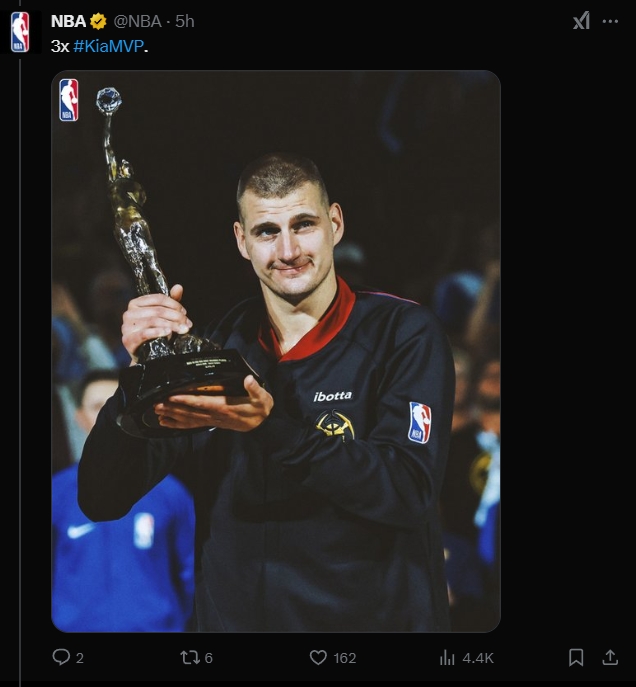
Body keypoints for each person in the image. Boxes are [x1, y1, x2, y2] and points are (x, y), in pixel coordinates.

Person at [78, 151, 456, 632]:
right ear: (242, 240)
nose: (288, 250)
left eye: (303, 225)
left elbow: (407, 490)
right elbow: (102, 498)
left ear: (335, 224)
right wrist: (139, 375)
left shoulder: (402, 334)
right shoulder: (215, 350)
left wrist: (267, 426)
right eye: (266, 232)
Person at [52, 369, 196, 632]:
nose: (107, 416)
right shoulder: (57, 492)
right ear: (79, 417)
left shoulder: (170, 491)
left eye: (115, 404)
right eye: (97, 407)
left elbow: (191, 569)